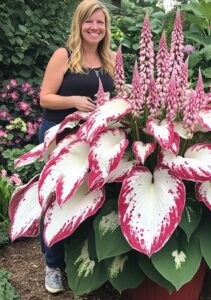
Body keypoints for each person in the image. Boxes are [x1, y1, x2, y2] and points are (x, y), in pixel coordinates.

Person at [38, 0, 116, 293]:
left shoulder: (107, 59)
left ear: (106, 28)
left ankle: (80, 262)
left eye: (100, 22)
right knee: (56, 200)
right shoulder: (64, 55)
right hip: (59, 135)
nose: (95, 27)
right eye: (89, 22)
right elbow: (44, 97)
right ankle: (53, 264)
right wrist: (73, 101)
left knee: (85, 198)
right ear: (79, 24)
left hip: (93, 139)